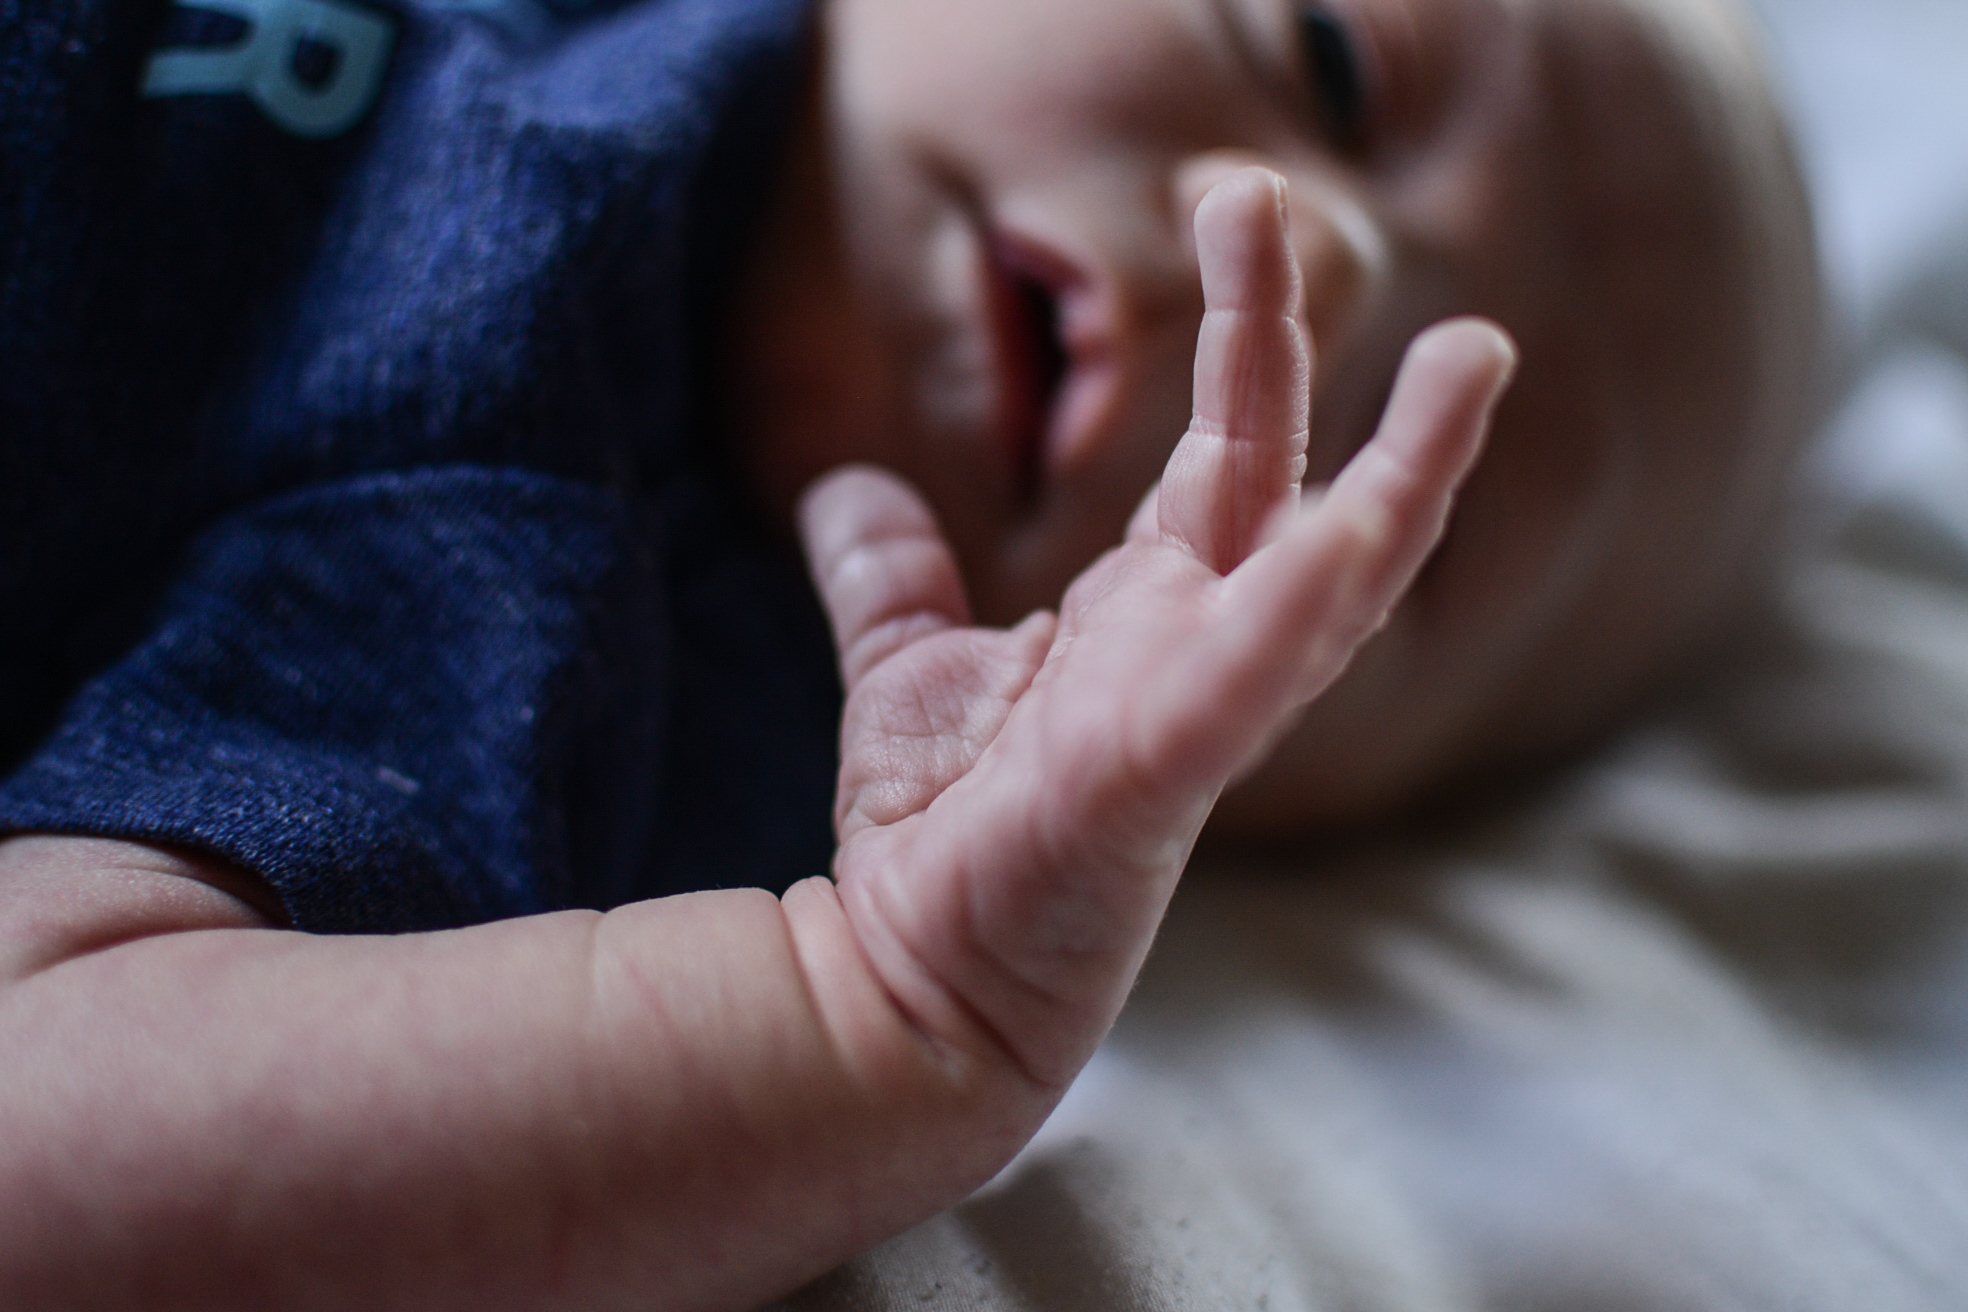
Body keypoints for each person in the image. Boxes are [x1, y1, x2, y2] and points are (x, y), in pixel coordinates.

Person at [0, 0, 1819, 1306]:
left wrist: (871, 1015)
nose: (1322, 265)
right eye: (1333, 60)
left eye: (1409, 516)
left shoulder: (536, 611)